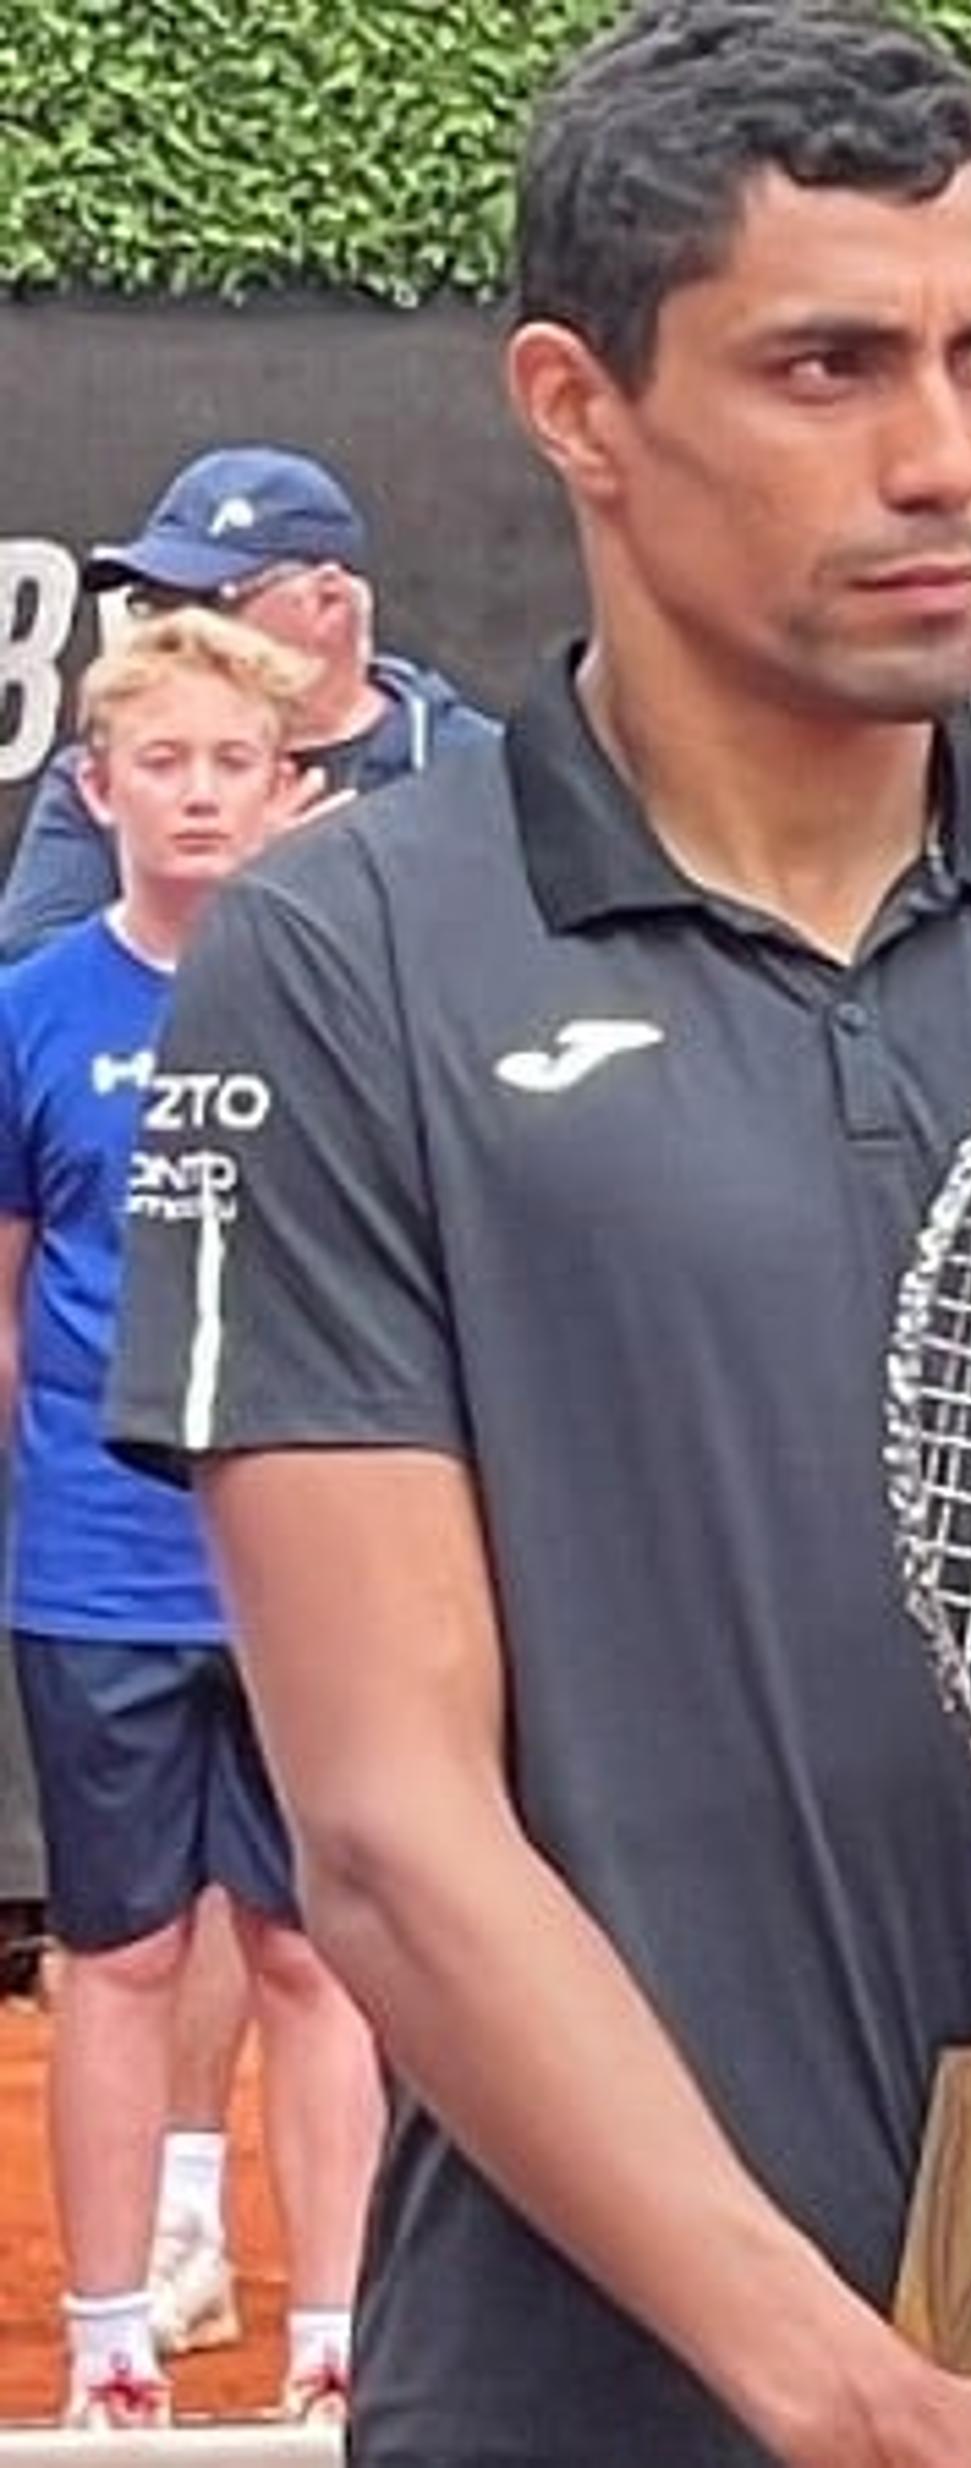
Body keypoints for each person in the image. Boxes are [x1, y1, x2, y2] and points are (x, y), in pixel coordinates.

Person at [107, 9, 971, 2466]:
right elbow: (387, 1814)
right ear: (578, 402)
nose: (946, 455)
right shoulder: (342, 966)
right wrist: (851, 2395)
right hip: (602, 2407)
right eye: (827, 365)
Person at [0, 610, 384, 2429]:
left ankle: (338, 2337)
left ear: (288, 784)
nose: (203, 793)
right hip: (97, 1559)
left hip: (307, 1567)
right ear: (100, 787)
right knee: (122, 1951)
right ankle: (107, 2344)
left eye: (237, 763)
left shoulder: (346, 994)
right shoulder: (30, 1010)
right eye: (165, 762)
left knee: (318, 1947)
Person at [0, 443, 497, 961]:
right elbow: (33, 990)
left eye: (209, 602)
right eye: (153, 605)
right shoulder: (111, 773)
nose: (178, 632)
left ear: (327, 603)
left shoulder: (476, 770)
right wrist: (230, 889)